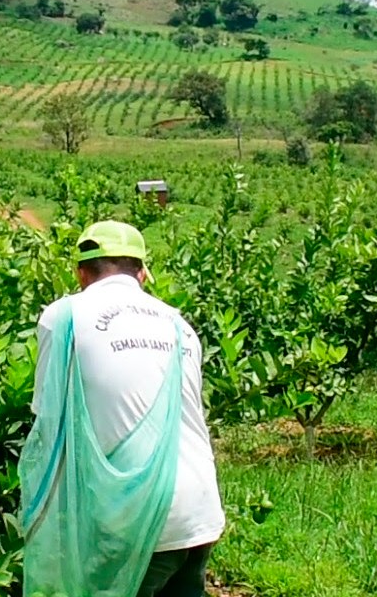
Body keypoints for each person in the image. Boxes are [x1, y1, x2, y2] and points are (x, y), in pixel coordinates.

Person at [25, 221, 225, 597]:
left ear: (81, 273)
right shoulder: (180, 325)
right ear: (143, 273)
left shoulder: (64, 317)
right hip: (199, 510)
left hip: (136, 516)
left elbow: (48, 422)